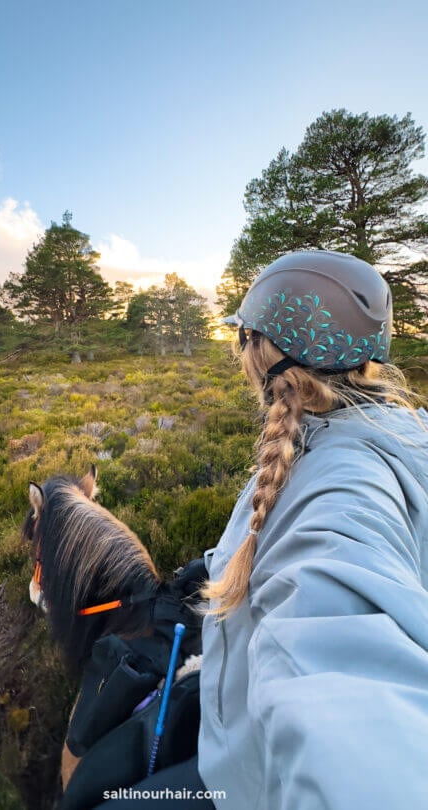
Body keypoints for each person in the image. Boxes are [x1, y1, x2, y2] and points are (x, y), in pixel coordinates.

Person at [93, 249, 428, 809]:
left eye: (241, 339)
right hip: (242, 725)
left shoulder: (344, 486)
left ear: (265, 354)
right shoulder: (359, 430)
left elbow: (337, 656)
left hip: (247, 780)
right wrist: (209, 567)